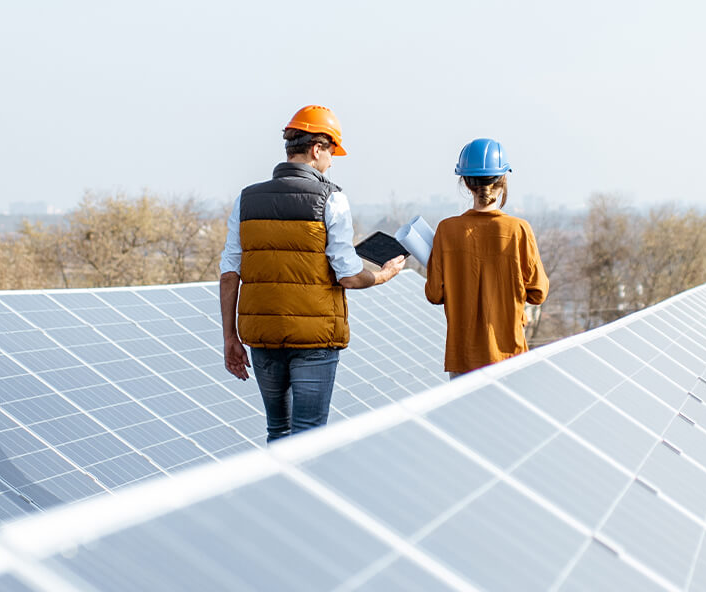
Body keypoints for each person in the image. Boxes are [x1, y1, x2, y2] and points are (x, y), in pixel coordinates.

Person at [218, 105, 408, 441]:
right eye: (332, 151)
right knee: (309, 438)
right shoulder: (331, 198)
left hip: (263, 336)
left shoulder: (246, 200)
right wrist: (383, 274)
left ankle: (276, 494)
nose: (332, 161)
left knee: (278, 430)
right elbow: (348, 275)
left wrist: (230, 337)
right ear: (317, 148)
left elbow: (230, 273)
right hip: (315, 339)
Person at [424, 138, 548, 378]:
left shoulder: (446, 230)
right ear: (503, 179)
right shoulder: (518, 230)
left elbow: (434, 294)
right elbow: (539, 292)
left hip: (462, 358)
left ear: (466, 184)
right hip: (508, 355)